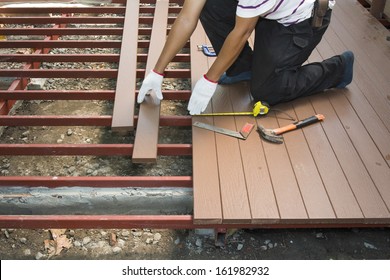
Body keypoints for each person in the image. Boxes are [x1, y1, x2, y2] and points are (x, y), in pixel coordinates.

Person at [137, 0, 354, 115]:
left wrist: (209, 80)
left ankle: (339, 68)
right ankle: (242, 69)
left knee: (266, 90)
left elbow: (242, 32)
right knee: (211, 5)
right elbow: (186, 18)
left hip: (299, 21)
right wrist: (157, 71)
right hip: (267, 10)